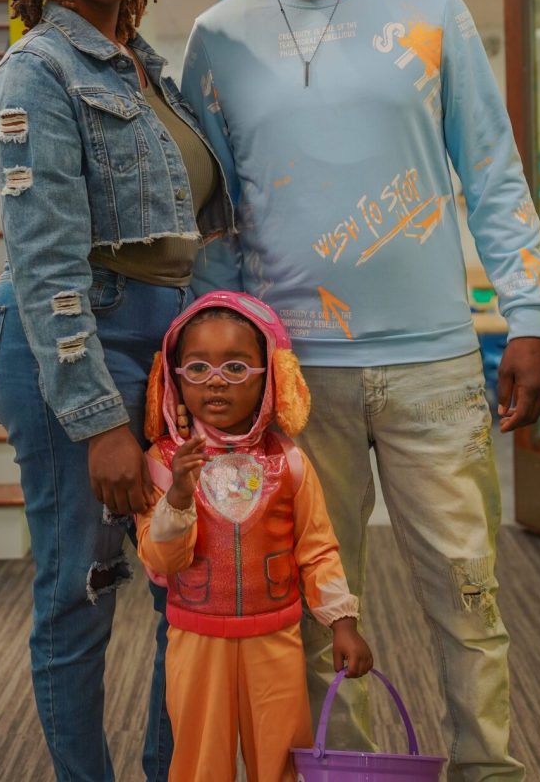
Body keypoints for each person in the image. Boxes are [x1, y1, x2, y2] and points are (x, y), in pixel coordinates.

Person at [180, 0, 540, 782]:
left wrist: (528, 315)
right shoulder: (216, 41)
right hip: (295, 380)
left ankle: (487, 770)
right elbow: (212, 223)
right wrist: (216, 374)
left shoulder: (429, 8)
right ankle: (342, 773)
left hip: (435, 367)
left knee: (468, 600)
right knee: (313, 609)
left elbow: (492, 171)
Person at [0, 0, 234, 782]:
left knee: (184, 583)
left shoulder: (143, 69)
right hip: (74, 345)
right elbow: (46, 260)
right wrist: (97, 422)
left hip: (162, 347)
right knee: (80, 595)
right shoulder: (37, 71)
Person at [136, 290, 373, 782]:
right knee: (200, 762)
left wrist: (342, 622)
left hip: (275, 639)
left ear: (271, 378)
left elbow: (318, 548)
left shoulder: (288, 462)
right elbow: (160, 563)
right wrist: (178, 494)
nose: (215, 381)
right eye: (197, 368)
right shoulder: (163, 463)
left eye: (236, 367)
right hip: (197, 640)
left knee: (281, 757)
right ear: (174, 378)